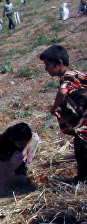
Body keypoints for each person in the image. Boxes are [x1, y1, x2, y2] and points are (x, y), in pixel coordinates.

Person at [39, 45, 87, 182]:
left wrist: (54, 107)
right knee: (80, 144)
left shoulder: (69, 76)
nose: (46, 69)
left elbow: (62, 92)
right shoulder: (69, 76)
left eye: (48, 65)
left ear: (59, 63)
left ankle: (83, 177)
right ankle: (83, 176)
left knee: (82, 145)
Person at [0, 123, 33, 190]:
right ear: (12, 139)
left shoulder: (14, 136)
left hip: (5, 158)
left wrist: (25, 150)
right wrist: (21, 179)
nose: (24, 145)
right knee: (17, 160)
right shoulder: (5, 147)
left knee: (35, 139)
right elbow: (3, 178)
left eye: (26, 142)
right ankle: (2, 183)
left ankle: (12, 174)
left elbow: (31, 138)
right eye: (21, 144)